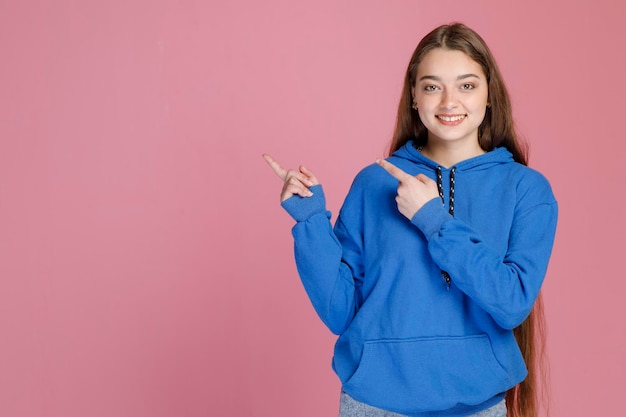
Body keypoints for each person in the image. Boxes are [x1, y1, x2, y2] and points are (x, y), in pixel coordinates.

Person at [263, 22, 557, 417]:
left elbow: (511, 302)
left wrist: (433, 219)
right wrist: (310, 220)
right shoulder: (373, 182)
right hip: (373, 405)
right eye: (432, 86)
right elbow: (340, 310)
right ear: (414, 98)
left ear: (490, 96)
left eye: (467, 86)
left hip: (476, 407)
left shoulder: (526, 189)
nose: (449, 101)